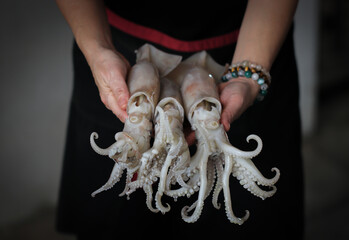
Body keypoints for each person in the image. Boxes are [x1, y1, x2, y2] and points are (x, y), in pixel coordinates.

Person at [55, 0, 303, 239]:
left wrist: (248, 77)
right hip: (115, 58)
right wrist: (98, 50)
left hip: (249, 53)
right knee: (116, 224)